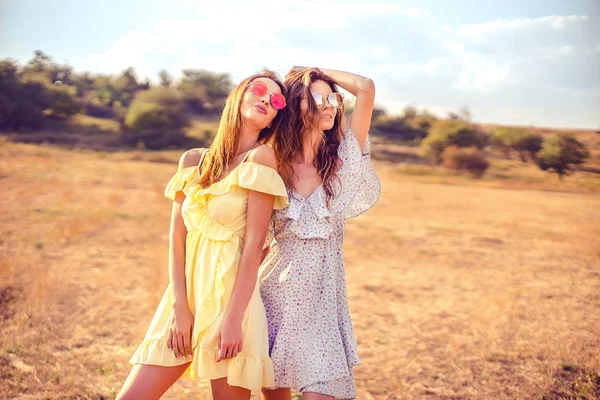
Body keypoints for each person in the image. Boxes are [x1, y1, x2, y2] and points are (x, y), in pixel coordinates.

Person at [117, 69, 289, 400]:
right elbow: (176, 243)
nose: (267, 100)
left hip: (231, 304)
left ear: (275, 119)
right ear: (239, 95)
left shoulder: (260, 159)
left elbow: (254, 246)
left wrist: (233, 321)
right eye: (259, 90)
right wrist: (180, 309)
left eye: (276, 100)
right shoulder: (193, 161)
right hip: (184, 299)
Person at [259, 67, 381, 400]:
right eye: (317, 98)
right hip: (273, 301)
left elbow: (365, 88)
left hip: (324, 307)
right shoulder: (273, 163)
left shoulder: (343, 161)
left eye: (333, 99)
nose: (329, 106)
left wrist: (314, 71)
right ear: (295, 104)